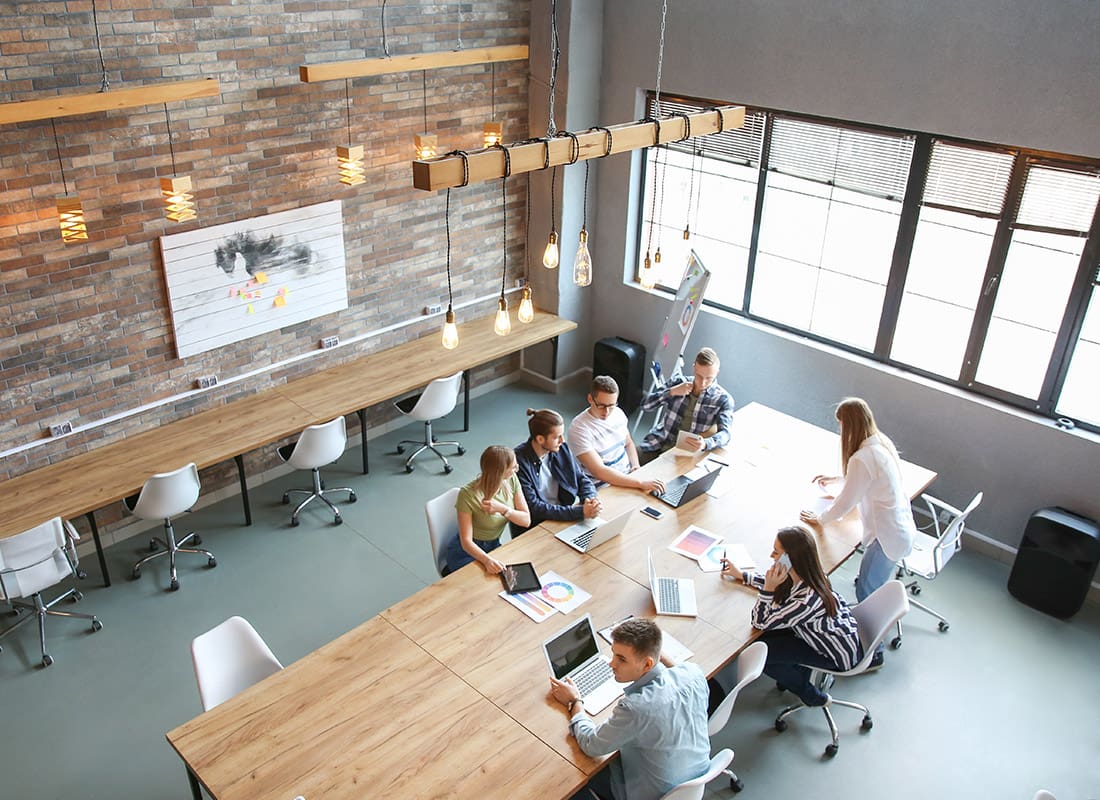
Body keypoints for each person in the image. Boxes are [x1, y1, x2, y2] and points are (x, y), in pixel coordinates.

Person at [799, 397, 915, 668]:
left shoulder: (862, 457)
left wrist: (821, 520)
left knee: (867, 591)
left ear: (849, 427)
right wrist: (838, 478)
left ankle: (873, 653)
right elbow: (864, 480)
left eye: (841, 427)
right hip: (899, 528)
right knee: (869, 586)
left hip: (886, 537)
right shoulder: (878, 443)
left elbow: (846, 503)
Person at [548, 618, 711, 800]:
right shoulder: (695, 673)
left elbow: (591, 744)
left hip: (649, 794)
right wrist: (651, 648)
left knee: (572, 778)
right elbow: (679, 671)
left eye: (622, 659)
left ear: (647, 664)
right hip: (693, 781)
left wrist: (575, 700)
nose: (611, 664)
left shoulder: (636, 708)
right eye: (613, 654)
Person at [720, 525, 862, 708]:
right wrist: (742, 575)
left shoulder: (806, 602)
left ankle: (812, 696)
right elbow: (779, 585)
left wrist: (768, 591)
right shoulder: (807, 575)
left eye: (776, 552)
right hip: (823, 634)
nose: (771, 556)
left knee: (763, 657)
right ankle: (793, 673)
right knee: (764, 640)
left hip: (833, 653)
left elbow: (759, 621)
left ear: (790, 559)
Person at [567, 376, 666, 495]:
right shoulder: (578, 429)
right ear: (590, 399)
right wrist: (639, 483)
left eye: (611, 405)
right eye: (601, 406)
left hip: (628, 476)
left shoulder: (618, 414)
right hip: (602, 487)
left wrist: (635, 467)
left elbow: (628, 443)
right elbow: (600, 471)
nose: (606, 412)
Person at [512, 408, 602, 536]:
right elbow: (534, 507)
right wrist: (579, 512)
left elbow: (581, 478)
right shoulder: (518, 462)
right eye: (556, 437)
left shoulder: (561, 448)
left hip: (563, 517)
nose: (562, 440)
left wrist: (590, 500)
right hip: (536, 526)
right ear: (540, 439)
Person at [444, 445, 531, 575]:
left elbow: (526, 520)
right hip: (467, 551)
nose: (517, 470)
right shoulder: (467, 495)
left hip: (493, 545)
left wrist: (503, 509)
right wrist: (487, 561)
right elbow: (466, 542)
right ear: (500, 472)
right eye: (513, 467)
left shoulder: (511, 479)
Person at [638, 347, 734, 462]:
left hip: (685, 453)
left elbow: (726, 434)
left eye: (709, 378)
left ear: (717, 372)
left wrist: (706, 443)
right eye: (699, 376)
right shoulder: (678, 382)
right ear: (694, 368)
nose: (703, 383)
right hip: (657, 442)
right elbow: (645, 405)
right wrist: (671, 392)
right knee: (628, 465)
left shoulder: (723, 399)